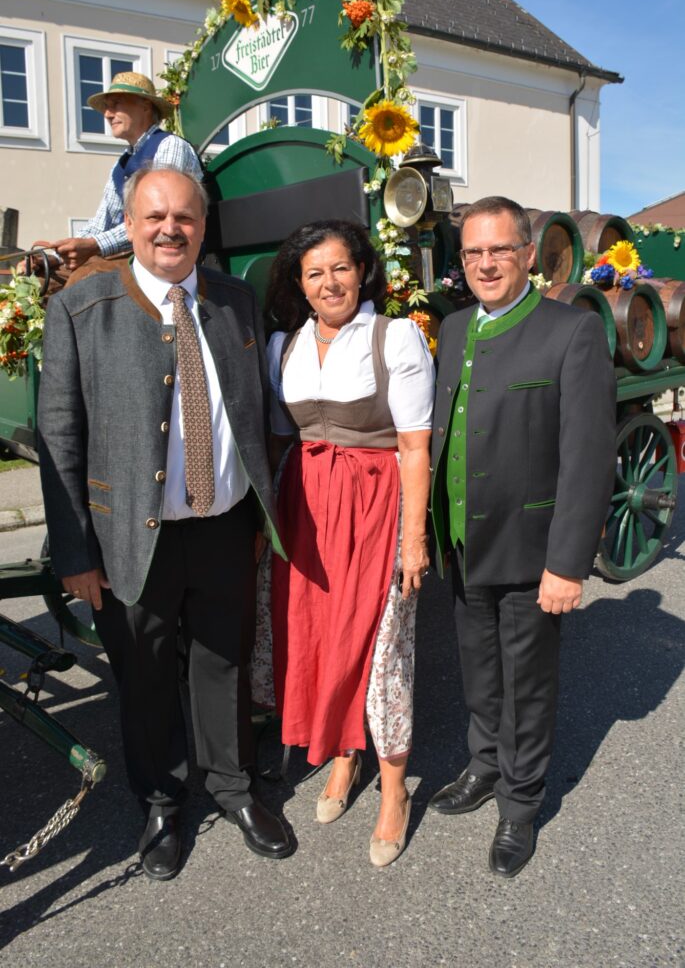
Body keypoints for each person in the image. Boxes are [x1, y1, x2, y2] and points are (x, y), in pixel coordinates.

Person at [38, 167, 293, 880]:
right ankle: (159, 801)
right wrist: (74, 555)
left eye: (184, 216)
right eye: (154, 217)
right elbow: (57, 434)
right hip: (127, 539)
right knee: (145, 679)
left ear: (203, 227)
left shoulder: (236, 301)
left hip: (221, 525)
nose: (169, 229)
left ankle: (234, 788)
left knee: (223, 664)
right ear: (130, 221)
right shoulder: (82, 309)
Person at [429, 196, 616, 878]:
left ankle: (519, 803)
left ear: (527, 255)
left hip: (530, 549)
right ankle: (483, 766)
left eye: (498, 250)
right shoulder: (452, 331)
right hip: (462, 543)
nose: (484, 263)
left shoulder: (571, 332)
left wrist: (566, 563)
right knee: (479, 675)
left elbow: (588, 455)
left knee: (526, 686)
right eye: (472, 252)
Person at [261, 219, 435, 868]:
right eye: (314, 272)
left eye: (339, 267)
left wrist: (412, 539)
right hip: (305, 510)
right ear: (298, 285)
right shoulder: (282, 346)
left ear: (361, 271)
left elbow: (415, 446)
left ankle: (394, 791)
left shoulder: (397, 339)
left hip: (375, 508)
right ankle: (343, 754)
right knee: (320, 638)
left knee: (382, 652)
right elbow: (279, 439)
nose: (328, 282)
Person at [35, 71, 201, 273]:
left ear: (145, 105)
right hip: (128, 256)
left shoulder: (170, 146)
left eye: (116, 104)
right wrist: (55, 256)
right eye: (106, 107)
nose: (107, 114)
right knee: (40, 279)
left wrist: (95, 246)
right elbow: (100, 223)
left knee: (84, 282)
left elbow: (161, 220)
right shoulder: (121, 164)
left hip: (166, 254)